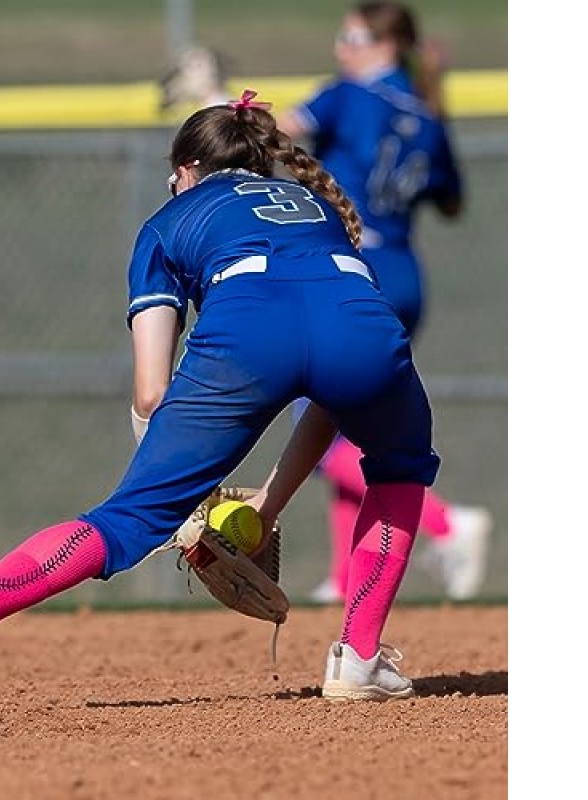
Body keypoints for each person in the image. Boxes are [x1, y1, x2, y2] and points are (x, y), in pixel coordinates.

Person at [0, 89, 442, 712]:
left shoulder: (166, 223)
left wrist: (173, 492)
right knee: (400, 468)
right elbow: (332, 396)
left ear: (187, 170)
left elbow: (152, 390)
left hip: (247, 336)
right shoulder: (315, 205)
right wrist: (266, 505)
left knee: (124, 520)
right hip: (361, 328)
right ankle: (357, 659)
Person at [276, 1, 492, 605]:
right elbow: (450, 202)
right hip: (403, 272)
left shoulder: (347, 95)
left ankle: (448, 524)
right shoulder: (427, 109)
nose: (341, 46)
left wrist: (214, 99)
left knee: (314, 426)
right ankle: (349, 577)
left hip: (354, 270)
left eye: (352, 35)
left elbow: (275, 131)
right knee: (351, 421)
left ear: (383, 44)